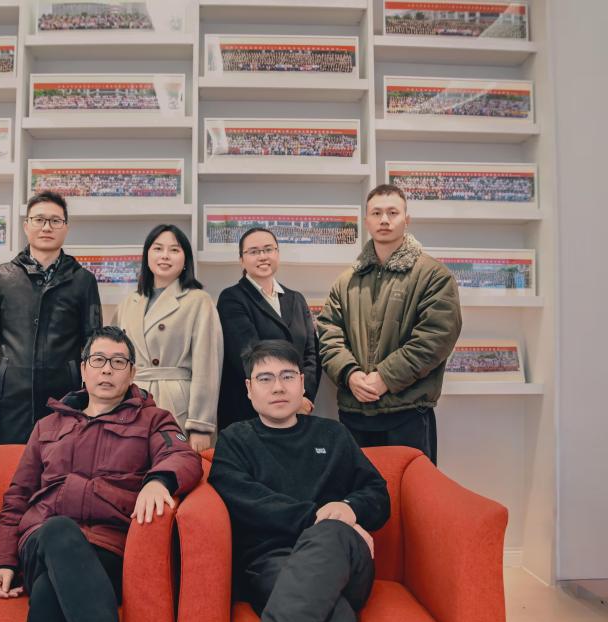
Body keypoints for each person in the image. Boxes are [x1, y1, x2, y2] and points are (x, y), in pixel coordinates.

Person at [0, 326, 203, 622]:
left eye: (118, 362)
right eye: (98, 360)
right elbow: (17, 497)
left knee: (49, 594)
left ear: (132, 373)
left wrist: (158, 480)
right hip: (42, 540)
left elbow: (183, 457)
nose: (107, 370)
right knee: (58, 529)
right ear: (84, 369)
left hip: (107, 548)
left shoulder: (153, 419)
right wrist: (1, 561)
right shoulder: (47, 426)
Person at [208, 340, 390, 622]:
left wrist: (348, 510)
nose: (278, 387)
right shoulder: (235, 441)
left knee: (332, 531)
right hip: (273, 565)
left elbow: (378, 495)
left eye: (287, 376)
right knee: (328, 615)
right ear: (248, 388)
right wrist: (323, 519)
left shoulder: (333, 434)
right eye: (265, 379)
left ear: (302, 383)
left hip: (346, 566)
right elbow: (247, 502)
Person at [316, 184, 461, 464]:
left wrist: (385, 377)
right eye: (376, 213)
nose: (384, 220)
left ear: (407, 219)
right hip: (354, 412)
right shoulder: (346, 281)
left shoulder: (433, 275)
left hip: (408, 413)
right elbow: (328, 335)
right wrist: (350, 374)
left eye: (393, 212)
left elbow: (435, 338)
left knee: (409, 488)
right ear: (366, 220)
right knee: (357, 489)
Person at [0, 191, 102, 445]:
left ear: (66, 227)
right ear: (26, 225)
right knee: (10, 465)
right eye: (39, 219)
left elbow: (93, 346)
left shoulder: (83, 280)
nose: (46, 227)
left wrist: (93, 401)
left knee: (62, 466)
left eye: (55, 221)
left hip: (66, 401)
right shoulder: (0, 278)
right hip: (11, 401)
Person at [113, 224, 223, 452]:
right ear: (147, 256)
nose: (165, 256)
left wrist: (201, 425)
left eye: (174, 250)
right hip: (130, 403)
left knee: (174, 467)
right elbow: (114, 359)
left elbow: (207, 366)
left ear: (185, 259)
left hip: (176, 403)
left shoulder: (198, 300)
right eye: (158, 248)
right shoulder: (129, 302)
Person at [216, 227, 320, 430]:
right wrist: (289, 397)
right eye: (254, 251)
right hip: (249, 413)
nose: (262, 256)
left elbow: (311, 354)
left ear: (277, 253)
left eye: (268, 249)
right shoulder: (232, 299)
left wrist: (302, 396)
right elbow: (247, 355)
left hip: (298, 410)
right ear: (241, 260)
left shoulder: (296, 299)